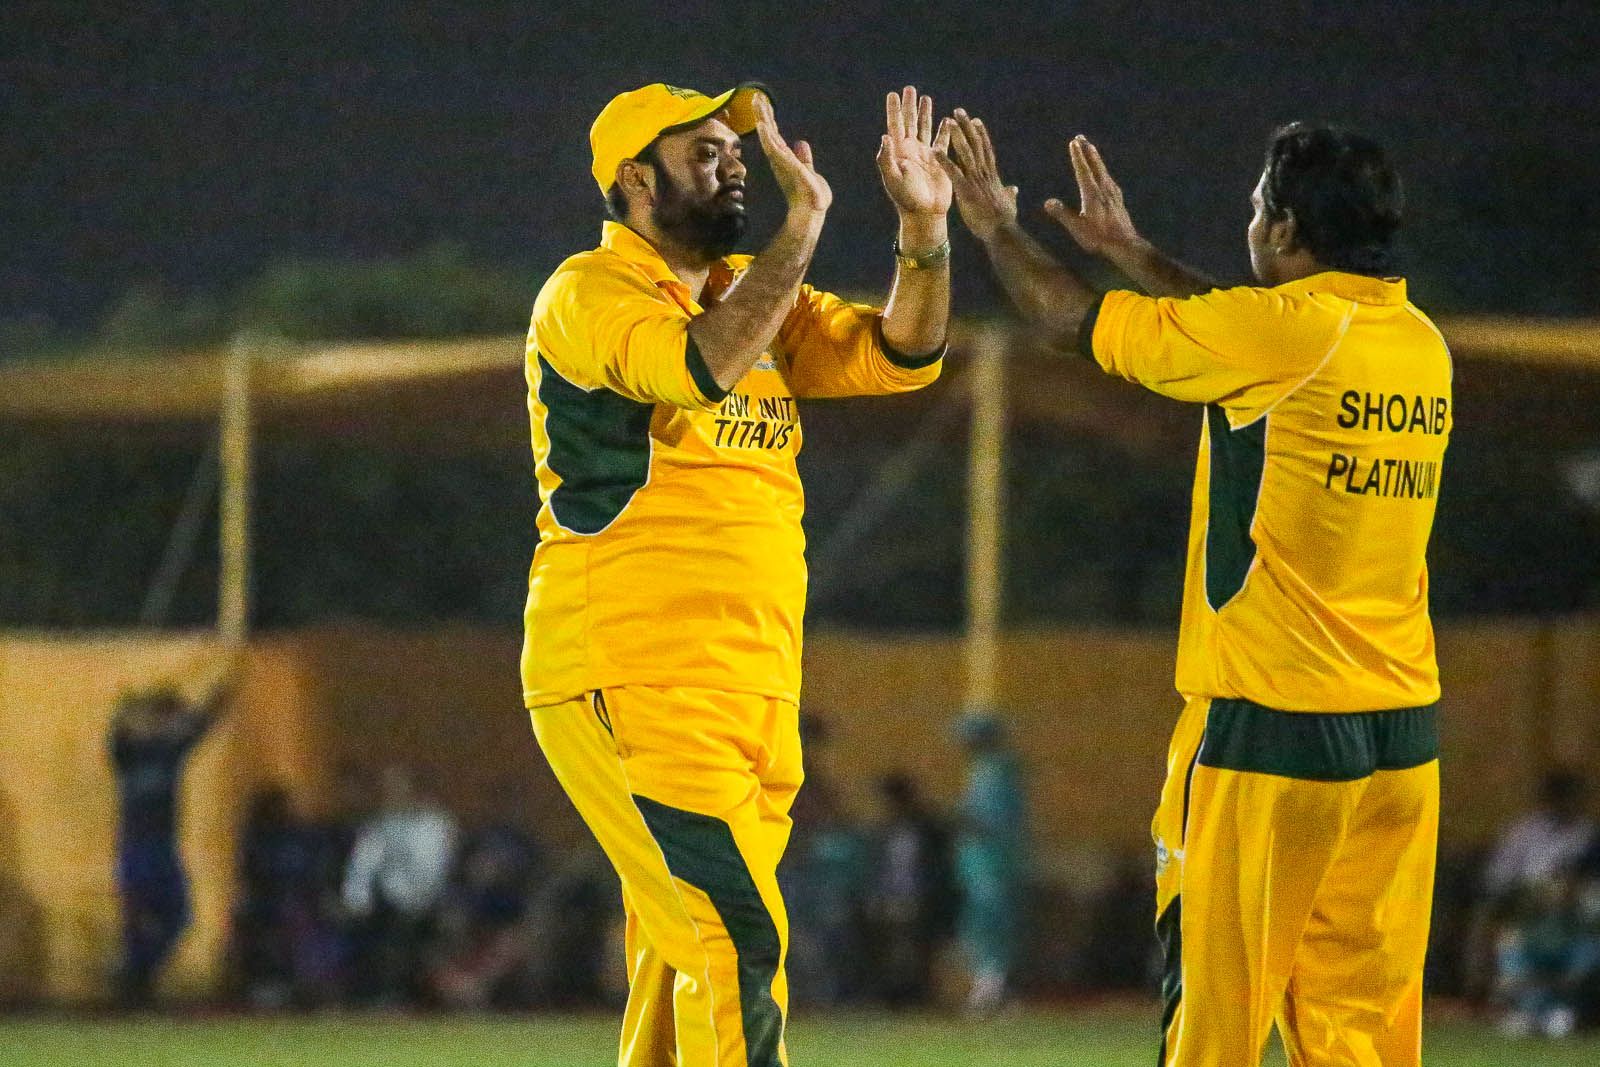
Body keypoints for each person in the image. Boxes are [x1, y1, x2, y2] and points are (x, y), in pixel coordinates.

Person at [941, 113, 1450, 1066]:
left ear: (1287, 228)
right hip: (1400, 744)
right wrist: (1132, 252)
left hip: (1273, 730)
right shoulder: (1419, 344)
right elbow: (1239, 333)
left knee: (1214, 1026)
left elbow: (1067, 320)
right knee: (1359, 1036)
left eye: (1258, 208)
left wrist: (993, 225)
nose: (1250, 222)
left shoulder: (1279, 336)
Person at [522, 80, 951, 1066]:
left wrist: (924, 232)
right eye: (705, 153)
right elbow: (698, 368)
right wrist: (805, 228)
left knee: (683, 949)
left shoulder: (751, 292)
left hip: (751, 680)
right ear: (637, 179)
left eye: (734, 151)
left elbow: (904, 351)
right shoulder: (589, 292)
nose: (733, 168)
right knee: (734, 938)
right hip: (637, 669)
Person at [108, 654, 240, 1006]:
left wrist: (221, 692)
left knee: (180, 917)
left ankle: (136, 973)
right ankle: (133, 984)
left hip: (164, 848)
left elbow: (200, 723)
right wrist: (141, 706)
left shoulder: (169, 751)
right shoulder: (129, 753)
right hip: (135, 848)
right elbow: (122, 724)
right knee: (137, 919)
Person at [340, 764, 457, 1007]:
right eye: (389, 789)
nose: (393, 795)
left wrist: (420, 900)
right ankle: (380, 996)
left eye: (400, 788)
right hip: (387, 908)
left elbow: (437, 870)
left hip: (430, 905)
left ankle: (419, 995)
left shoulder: (435, 825)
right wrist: (356, 902)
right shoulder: (377, 828)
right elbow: (361, 869)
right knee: (376, 933)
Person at [952, 713, 1026, 1014]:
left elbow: (989, 820)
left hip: (991, 866)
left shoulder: (994, 774)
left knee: (990, 928)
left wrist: (958, 820)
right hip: (983, 866)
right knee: (985, 928)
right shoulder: (985, 772)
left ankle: (992, 990)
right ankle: (990, 988)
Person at [866, 773, 956, 1009]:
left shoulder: (926, 828)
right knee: (893, 952)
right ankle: (896, 998)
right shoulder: (887, 831)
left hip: (920, 900)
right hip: (892, 900)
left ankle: (920, 997)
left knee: (919, 951)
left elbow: (937, 866)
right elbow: (882, 869)